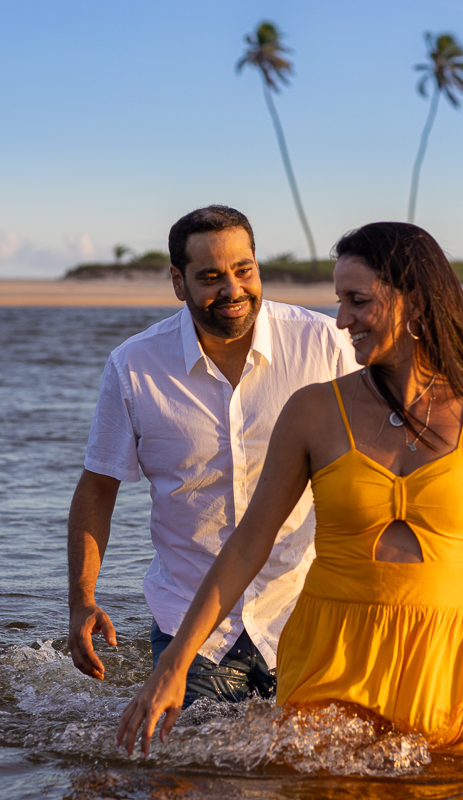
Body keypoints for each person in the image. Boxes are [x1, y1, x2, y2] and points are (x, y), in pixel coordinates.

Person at [117, 222, 463, 756]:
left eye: (357, 301)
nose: (341, 319)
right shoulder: (313, 411)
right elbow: (248, 544)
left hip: (449, 659)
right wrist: (175, 663)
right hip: (332, 653)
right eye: (338, 300)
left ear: (413, 302)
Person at [68, 205, 358, 705]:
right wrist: (82, 600)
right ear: (178, 283)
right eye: (210, 277)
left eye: (243, 270)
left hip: (305, 613)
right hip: (189, 623)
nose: (232, 290)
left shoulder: (325, 345)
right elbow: (98, 486)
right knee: (185, 775)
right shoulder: (134, 366)